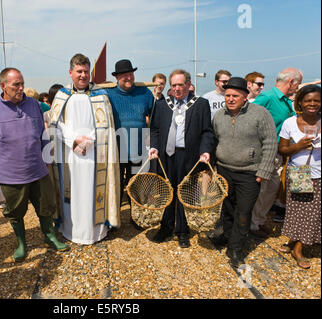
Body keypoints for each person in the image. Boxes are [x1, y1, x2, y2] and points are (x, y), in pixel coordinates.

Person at [0, 67, 68, 261]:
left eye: (22, 84)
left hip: (38, 169)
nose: (21, 88)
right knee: (15, 211)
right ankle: (21, 243)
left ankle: (49, 236)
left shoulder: (34, 105)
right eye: (16, 85)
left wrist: (47, 157)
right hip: (11, 173)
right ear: (3, 86)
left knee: (46, 206)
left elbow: (43, 135)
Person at [49, 53, 120, 244]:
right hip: (70, 154)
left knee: (92, 192)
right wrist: (74, 140)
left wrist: (88, 141)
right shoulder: (62, 95)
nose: (83, 75)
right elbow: (56, 125)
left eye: (86, 71)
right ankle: (71, 230)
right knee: (72, 193)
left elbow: (107, 126)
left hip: (95, 154)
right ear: (70, 72)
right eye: (79, 71)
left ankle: (94, 232)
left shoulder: (101, 95)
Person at [210, 77, 277, 267]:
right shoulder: (219, 115)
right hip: (224, 169)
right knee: (228, 209)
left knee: (244, 212)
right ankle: (228, 237)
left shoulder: (260, 114)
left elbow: (270, 142)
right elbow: (215, 140)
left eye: (235, 96)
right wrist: (214, 167)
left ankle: (236, 249)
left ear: (245, 97)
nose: (230, 99)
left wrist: (264, 170)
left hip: (249, 172)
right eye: (228, 95)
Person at [149, 69, 214, 248]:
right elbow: (154, 129)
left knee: (185, 194)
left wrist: (205, 150)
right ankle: (166, 227)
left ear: (188, 84)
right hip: (166, 156)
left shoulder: (200, 104)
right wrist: (153, 147)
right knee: (168, 192)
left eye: (180, 84)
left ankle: (183, 231)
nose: (177, 88)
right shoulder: (162, 104)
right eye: (174, 85)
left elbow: (207, 131)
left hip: (189, 156)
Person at [249, 68, 303, 234]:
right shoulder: (268, 97)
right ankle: (252, 224)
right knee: (264, 189)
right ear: (291, 82)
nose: (298, 87)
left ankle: (258, 220)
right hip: (266, 153)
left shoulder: (287, 102)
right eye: (298, 84)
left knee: (271, 190)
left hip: (280, 153)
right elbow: (249, 119)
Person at [278, 84, 321, 269]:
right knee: (296, 210)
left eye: (316, 100)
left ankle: (297, 246)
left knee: (311, 213)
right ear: (300, 102)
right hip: (298, 172)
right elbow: (283, 149)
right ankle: (295, 245)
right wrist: (299, 146)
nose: (312, 104)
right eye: (308, 100)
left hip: (319, 175)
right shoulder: (290, 122)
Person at [106, 59, 154, 208]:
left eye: (131, 74)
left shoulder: (144, 93)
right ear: (116, 77)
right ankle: (113, 221)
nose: (128, 78)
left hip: (138, 150)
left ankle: (137, 217)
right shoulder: (107, 94)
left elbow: (155, 117)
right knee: (116, 188)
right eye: (124, 75)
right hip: (116, 150)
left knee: (137, 187)